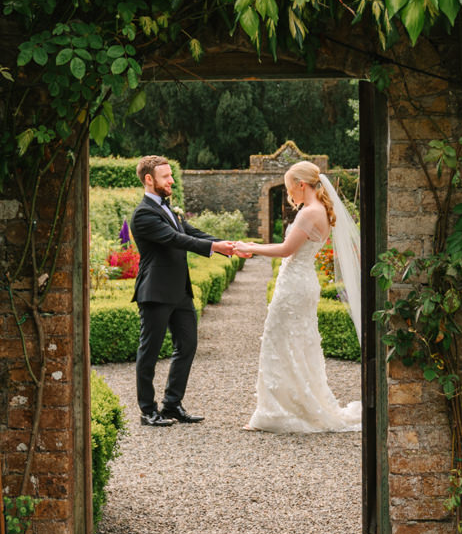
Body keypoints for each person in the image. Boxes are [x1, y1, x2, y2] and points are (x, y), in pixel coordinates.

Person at [237, 160, 363, 433]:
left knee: (280, 340)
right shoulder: (319, 210)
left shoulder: (309, 213)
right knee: (298, 344)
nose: (289, 194)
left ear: (301, 185)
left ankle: (277, 412)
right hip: (301, 281)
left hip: (294, 285)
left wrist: (252, 247)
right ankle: (289, 406)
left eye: (289, 188)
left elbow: (286, 250)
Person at [130, 154, 246, 427]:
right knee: (149, 351)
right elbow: (175, 239)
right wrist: (214, 248)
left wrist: (226, 244)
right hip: (155, 292)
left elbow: (191, 231)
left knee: (188, 346)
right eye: (166, 176)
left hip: (180, 291)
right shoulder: (144, 213)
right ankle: (148, 410)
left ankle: (172, 404)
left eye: (171, 175)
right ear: (149, 179)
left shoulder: (169, 208)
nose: (171, 180)